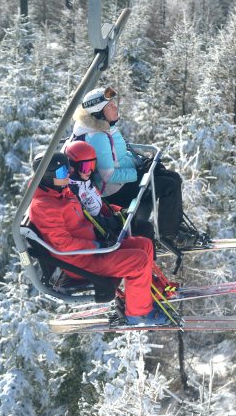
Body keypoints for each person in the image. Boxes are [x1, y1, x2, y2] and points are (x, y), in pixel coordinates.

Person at [26, 150, 170, 326]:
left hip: (92, 249)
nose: (69, 174)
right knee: (137, 261)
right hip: (81, 260)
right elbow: (63, 245)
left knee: (144, 244)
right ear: (47, 177)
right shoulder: (44, 206)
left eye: (68, 169)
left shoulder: (60, 191)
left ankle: (142, 298)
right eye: (63, 172)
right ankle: (138, 314)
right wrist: (97, 245)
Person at [71, 86, 206, 250]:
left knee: (171, 177)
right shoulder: (98, 137)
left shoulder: (104, 127)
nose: (115, 107)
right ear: (98, 113)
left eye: (114, 103)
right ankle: (169, 234)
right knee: (168, 185)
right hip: (115, 192)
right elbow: (108, 176)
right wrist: (139, 173)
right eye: (110, 106)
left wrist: (142, 164)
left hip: (122, 183)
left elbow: (119, 156)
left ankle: (173, 227)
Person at [62, 139, 179, 295]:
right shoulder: (73, 191)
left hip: (105, 226)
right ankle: (144, 285)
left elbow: (99, 203)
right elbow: (88, 220)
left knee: (145, 228)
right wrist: (112, 221)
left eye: (92, 165)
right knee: (142, 234)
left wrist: (118, 211)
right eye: (85, 166)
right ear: (73, 167)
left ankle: (149, 279)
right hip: (101, 236)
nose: (89, 170)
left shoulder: (85, 181)